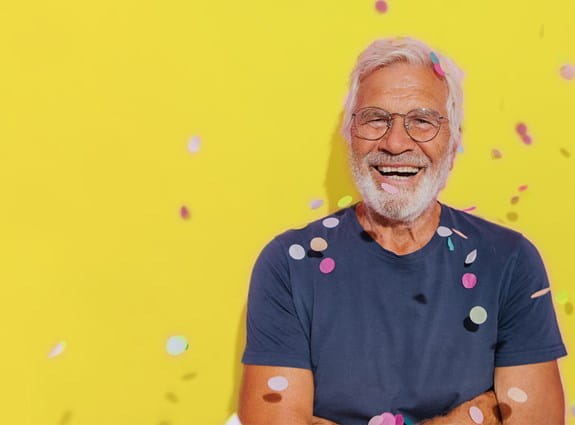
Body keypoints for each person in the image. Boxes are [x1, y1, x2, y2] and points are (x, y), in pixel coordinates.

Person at [237, 37, 567, 425]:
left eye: (422, 121)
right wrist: (476, 413)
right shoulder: (288, 265)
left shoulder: (509, 259)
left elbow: (537, 418)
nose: (395, 143)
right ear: (350, 133)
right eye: (376, 118)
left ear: (453, 140)